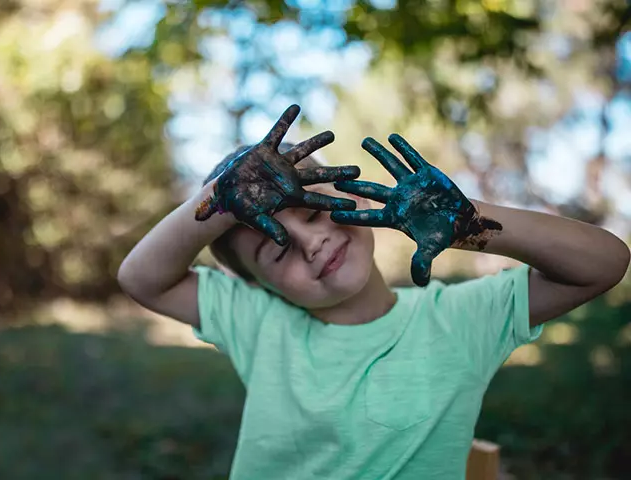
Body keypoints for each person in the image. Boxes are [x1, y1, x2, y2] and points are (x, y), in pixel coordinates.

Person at [117, 104, 630, 479]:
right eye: (276, 249)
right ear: (258, 286)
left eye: (316, 213)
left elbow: (603, 264)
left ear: (349, 199)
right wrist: (220, 199)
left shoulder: (460, 319)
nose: (313, 242)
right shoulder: (258, 322)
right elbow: (140, 279)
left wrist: (467, 223)